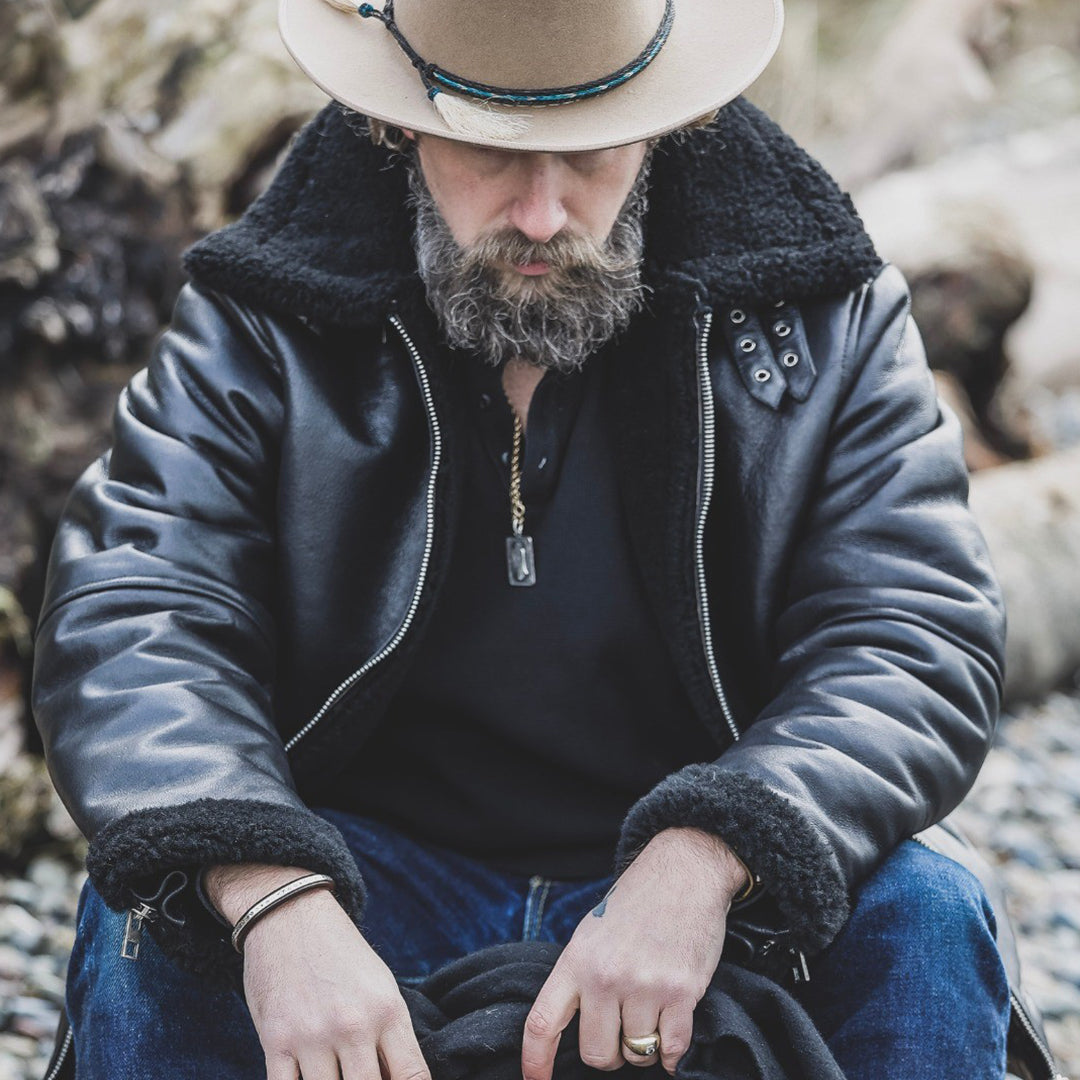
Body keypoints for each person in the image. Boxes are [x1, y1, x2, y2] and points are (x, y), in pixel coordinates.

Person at [31, 0, 1025, 1077]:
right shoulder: (263, 309)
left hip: (710, 881)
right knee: (154, 918)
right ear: (399, 126)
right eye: (492, 152)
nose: (544, 215)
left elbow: (911, 631)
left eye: (591, 154)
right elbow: (135, 613)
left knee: (927, 912)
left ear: (665, 125)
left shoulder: (825, 304)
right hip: (354, 870)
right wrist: (271, 889)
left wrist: (715, 849)